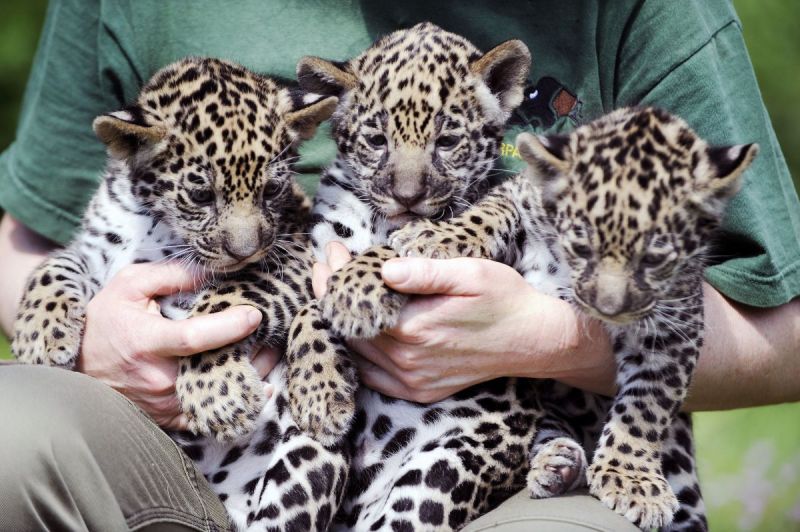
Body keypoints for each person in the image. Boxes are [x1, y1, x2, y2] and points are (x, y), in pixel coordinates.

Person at [0, 1, 798, 530]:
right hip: (205, 444)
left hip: (512, 468)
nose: (408, 188)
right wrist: (87, 339)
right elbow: (26, 240)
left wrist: (548, 340)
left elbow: (784, 329)